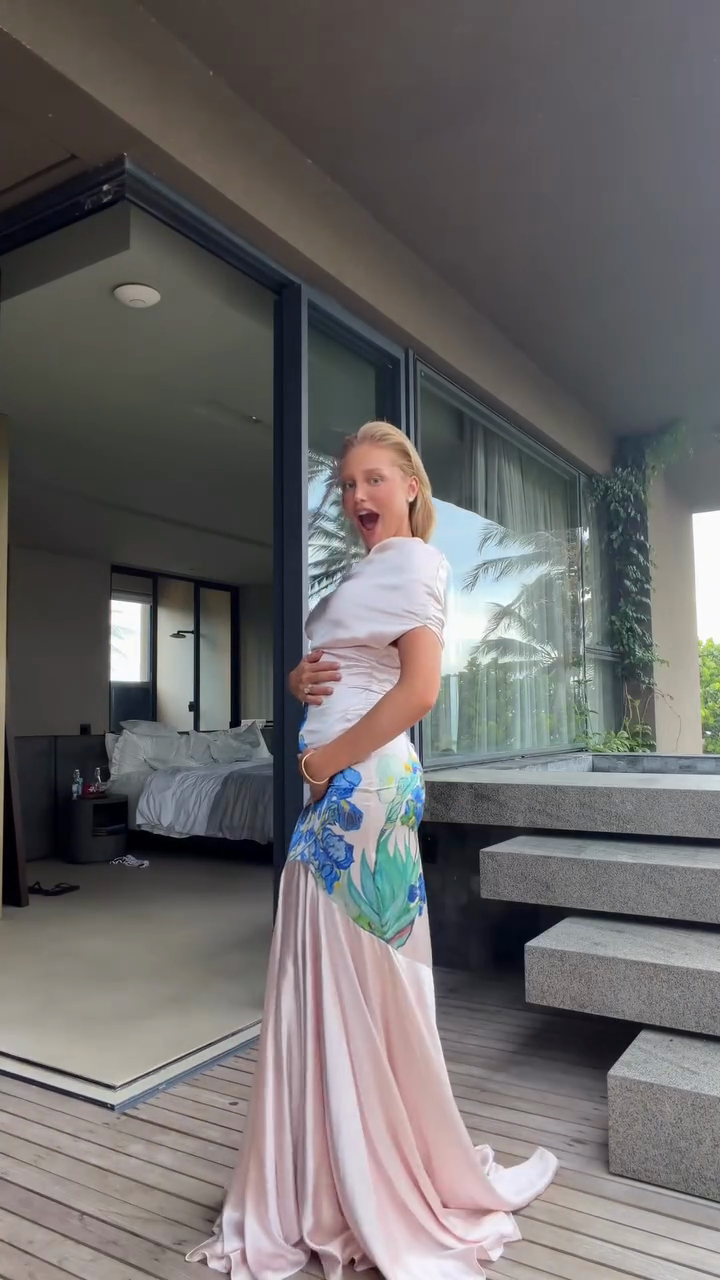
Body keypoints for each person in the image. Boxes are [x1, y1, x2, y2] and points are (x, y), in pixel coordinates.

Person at [188, 421, 557, 1279]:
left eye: (374, 480)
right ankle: (338, 1166)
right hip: (345, 787)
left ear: (411, 487)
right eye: (348, 484)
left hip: (361, 789)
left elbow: (419, 690)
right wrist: (298, 682)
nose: (358, 495)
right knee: (331, 968)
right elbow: (352, 665)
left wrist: (322, 762)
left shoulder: (418, 563)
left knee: (354, 970)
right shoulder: (373, 569)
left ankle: (365, 1171)